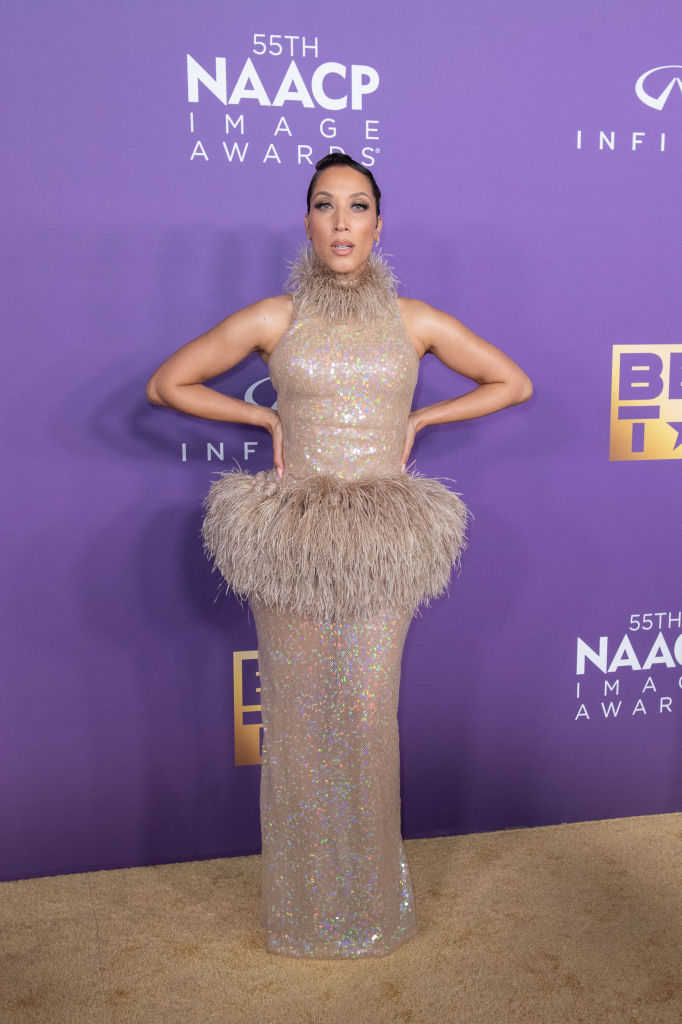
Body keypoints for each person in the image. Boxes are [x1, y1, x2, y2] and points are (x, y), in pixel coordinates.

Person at [146, 153, 532, 959]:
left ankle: (368, 907)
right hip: (294, 548)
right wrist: (264, 423)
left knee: (363, 716)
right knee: (295, 721)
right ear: (310, 223)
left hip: (381, 549)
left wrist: (424, 423)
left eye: (358, 206)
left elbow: (511, 382)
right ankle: (302, 912)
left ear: (380, 225)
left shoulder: (417, 321)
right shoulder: (274, 317)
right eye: (326, 206)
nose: (343, 221)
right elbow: (168, 385)